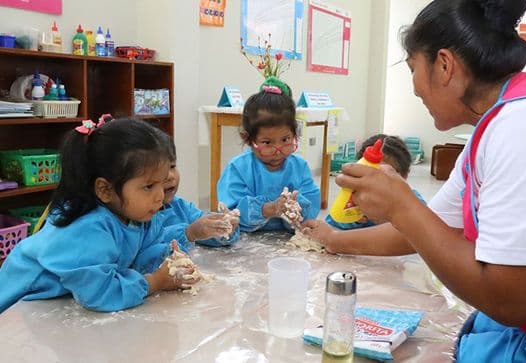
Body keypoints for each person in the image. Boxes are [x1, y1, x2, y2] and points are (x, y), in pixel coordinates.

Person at [305, 1, 526, 362]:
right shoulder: (498, 123)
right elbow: (429, 227)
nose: (416, 89)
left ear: (445, 65)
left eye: (413, 68)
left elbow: (512, 302)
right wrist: (335, 239)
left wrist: (400, 205)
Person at [0, 118, 199, 313]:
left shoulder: (135, 213)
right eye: (148, 186)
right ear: (105, 190)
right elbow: (99, 294)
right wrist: (156, 282)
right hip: (20, 303)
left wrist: (169, 259)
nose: (160, 196)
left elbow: (141, 253)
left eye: (161, 183)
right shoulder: (88, 227)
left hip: (62, 299)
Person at [217, 76, 321, 232]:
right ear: (248, 139)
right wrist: (269, 209)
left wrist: (295, 210)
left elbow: (311, 206)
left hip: (288, 241)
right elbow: (231, 212)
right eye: (267, 142)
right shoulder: (238, 168)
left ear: (295, 134)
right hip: (247, 243)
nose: (277, 150)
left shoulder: (300, 167)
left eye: (285, 139)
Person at [158, 133, 240, 247]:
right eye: (160, 171)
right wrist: (189, 233)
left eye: (172, 166)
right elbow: (149, 246)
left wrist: (223, 227)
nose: (170, 176)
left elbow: (203, 228)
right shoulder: (136, 220)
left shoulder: (180, 207)